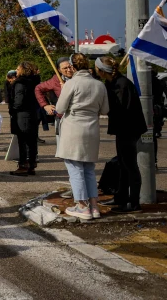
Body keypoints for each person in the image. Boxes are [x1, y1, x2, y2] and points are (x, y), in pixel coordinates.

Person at [55, 54, 109, 220]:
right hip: (92, 128)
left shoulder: (71, 83)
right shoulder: (100, 85)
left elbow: (60, 107)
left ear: (73, 66)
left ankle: (82, 206)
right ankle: (94, 205)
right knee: (89, 169)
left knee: (75, 168)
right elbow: (105, 110)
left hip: (73, 128)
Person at [95, 56, 147, 212]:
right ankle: (121, 197)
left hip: (129, 129)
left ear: (102, 70)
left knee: (130, 166)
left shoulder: (121, 85)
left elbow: (121, 109)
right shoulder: (113, 82)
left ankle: (134, 203)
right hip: (124, 129)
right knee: (123, 165)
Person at [10, 62, 42, 176]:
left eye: (18, 69)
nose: (16, 70)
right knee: (32, 141)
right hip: (33, 113)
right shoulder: (35, 81)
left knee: (23, 140)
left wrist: (13, 109)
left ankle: (23, 165)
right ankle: (31, 165)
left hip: (22, 114)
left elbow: (19, 99)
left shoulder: (20, 83)